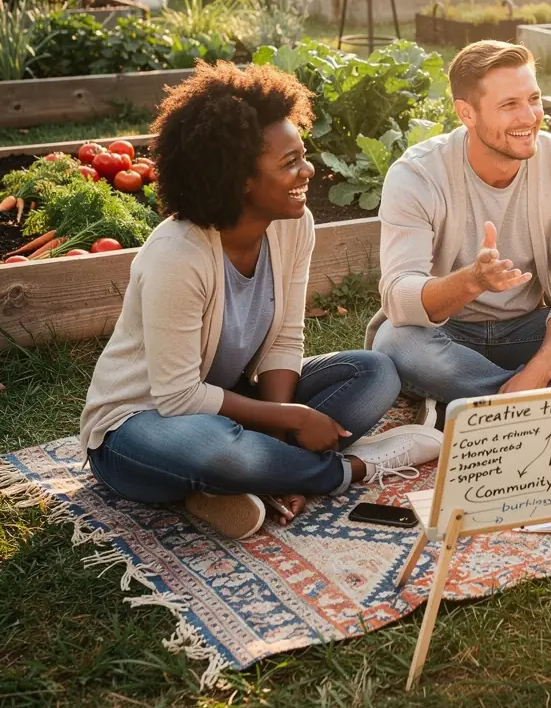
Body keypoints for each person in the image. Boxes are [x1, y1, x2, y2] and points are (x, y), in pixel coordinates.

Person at [81, 63, 442, 540]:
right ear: (240, 178)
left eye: (303, 154)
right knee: (219, 450)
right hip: (140, 429)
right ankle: (346, 469)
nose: (308, 169)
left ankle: (233, 485)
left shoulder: (294, 224)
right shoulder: (176, 255)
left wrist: (274, 430)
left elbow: (286, 338)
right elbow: (177, 396)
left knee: (374, 373)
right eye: (290, 162)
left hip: (232, 400)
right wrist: (291, 417)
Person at [367, 40, 551, 406]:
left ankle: (489, 404)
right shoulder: (416, 174)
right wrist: (472, 281)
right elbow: (400, 296)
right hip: (445, 334)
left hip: (529, 331)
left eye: (534, 98)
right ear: (467, 113)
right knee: (396, 342)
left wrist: (539, 368)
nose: (529, 117)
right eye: (509, 105)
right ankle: (543, 405)